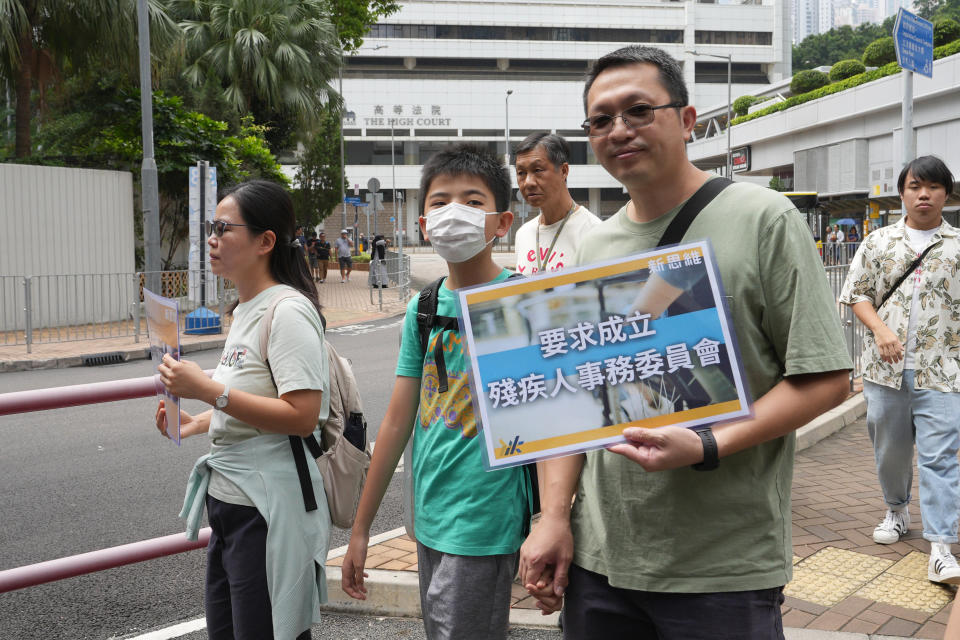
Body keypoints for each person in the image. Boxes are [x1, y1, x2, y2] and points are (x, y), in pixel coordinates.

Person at [518, 45, 852, 638]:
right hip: (603, 562)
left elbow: (825, 377)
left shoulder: (763, 218)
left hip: (722, 569)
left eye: (639, 110)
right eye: (601, 120)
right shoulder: (593, 249)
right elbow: (572, 403)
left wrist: (708, 445)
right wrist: (552, 518)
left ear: (688, 119)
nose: (620, 130)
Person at [340, 144, 530, 640]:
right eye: (440, 202)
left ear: (501, 222)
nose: (453, 214)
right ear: (423, 222)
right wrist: (361, 530)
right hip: (428, 514)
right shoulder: (422, 308)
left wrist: (554, 520)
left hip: (485, 517)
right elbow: (397, 422)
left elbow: (549, 421)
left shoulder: (525, 301)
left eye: (471, 202)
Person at [155, 180, 330, 639]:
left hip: (267, 510)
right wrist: (195, 422)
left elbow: (302, 414)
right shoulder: (245, 309)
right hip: (232, 502)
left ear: (265, 241)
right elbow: (253, 399)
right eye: (210, 227)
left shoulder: (287, 311)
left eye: (223, 227)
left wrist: (209, 392)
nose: (211, 238)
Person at [839, 155, 960, 585]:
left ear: (946, 192)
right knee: (890, 452)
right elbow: (856, 294)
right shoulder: (878, 242)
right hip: (883, 372)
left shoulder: (957, 246)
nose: (923, 194)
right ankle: (896, 509)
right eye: (914, 186)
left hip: (943, 373)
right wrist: (881, 330)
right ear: (902, 193)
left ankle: (942, 547)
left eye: (932, 187)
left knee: (940, 457)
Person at [513, 132, 601, 274]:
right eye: (521, 173)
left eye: (537, 170)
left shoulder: (593, 232)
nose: (528, 182)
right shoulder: (523, 234)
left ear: (564, 170)